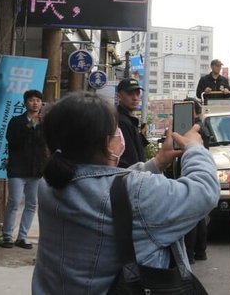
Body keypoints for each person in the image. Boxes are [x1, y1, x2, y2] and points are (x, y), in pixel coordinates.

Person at [32, 91, 218, 294]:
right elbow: (204, 190)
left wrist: (157, 162)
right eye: (116, 130)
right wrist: (194, 149)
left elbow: (107, 186)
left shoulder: (49, 185)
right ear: (107, 143)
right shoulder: (137, 192)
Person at [1, 89, 47, 250]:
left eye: (38, 100)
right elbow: (12, 141)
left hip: (36, 170)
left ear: (41, 103)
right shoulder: (16, 121)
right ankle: (7, 236)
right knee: (14, 201)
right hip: (17, 169)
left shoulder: (44, 123)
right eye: (31, 100)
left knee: (32, 204)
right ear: (25, 103)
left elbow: (45, 145)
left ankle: (22, 237)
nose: (35, 103)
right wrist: (29, 126)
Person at [183, 97, 209, 263]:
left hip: (195, 171)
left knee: (192, 215)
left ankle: (191, 252)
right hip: (198, 171)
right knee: (198, 215)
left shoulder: (199, 126)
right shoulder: (191, 126)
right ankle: (199, 252)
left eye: (188, 108)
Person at [115, 78, 148, 168]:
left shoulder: (129, 120)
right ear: (119, 96)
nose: (135, 98)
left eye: (137, 94)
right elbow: (130, 159)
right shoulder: (121, 121)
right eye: (130, 94)